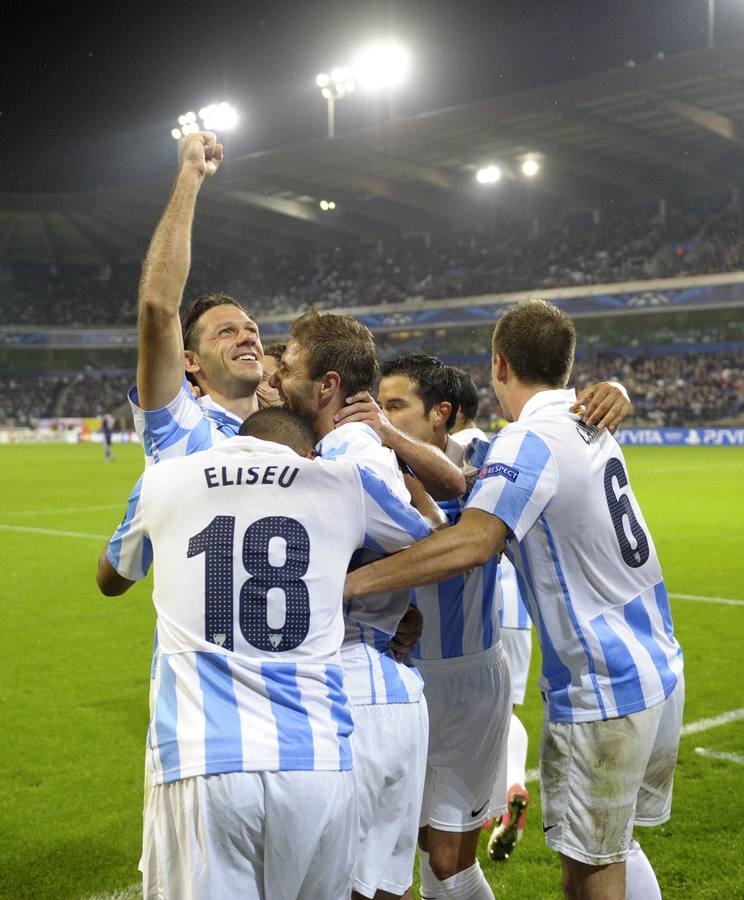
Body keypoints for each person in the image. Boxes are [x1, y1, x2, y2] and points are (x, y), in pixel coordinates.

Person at [344, 300, 684, 900]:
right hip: (655, 664)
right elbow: (464, 471)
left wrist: (344, 587)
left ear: (500, 365)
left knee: (591, 868)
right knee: (615, 846)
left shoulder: (525, 442)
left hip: (602, 680)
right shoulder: (586, 423)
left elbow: (476, 541)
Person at [96, 407, 431, 900]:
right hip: (318, 759)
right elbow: (427, 536)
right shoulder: (340, 481)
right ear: (306, 451)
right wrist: (393, 604)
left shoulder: (164, 480)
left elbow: (111, 578)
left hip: (204, 759)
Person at [269, 310, 464, 900]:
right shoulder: (343, 448)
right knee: (381, 889)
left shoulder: (347, 455)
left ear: (327, 384)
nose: (277, 377)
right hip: (380, 689)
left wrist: (351, 585)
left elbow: (422, 535)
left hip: (360, 695)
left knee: (345, 888)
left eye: (288, 366)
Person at [130, 130, 264, 463]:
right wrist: (191, 173)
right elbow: (158, 307)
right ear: (190, 361)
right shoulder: (180, 424)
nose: (247, 338)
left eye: (252, 329)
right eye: (226, 332)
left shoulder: (292, 433)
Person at [451, 368, 532, 863]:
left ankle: (464, 810)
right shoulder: (500, 447)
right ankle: (511, 785)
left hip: (469, 603)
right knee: (507, 712)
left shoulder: (445, 452)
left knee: (460, 717)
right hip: (515, 605)